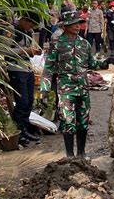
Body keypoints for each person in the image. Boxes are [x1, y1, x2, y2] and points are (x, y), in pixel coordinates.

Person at [41, 11, 103, 158]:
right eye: (74, 24)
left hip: (83, 89)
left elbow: (92, 63)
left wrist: (106, 62)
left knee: (83, 122)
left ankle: (81, 153)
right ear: (66, 26)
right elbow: (48, 68)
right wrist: (44, 89)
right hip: (66, 89)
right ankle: (69, 155)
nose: (77, 26)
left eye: (79, 23)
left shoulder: (84, 43)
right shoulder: (57, 44)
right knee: (68, 121)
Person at [6, 11, 42, 146]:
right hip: (16, 70)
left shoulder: (27, 32)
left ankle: (25, 129)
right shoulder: (12, 30)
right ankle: (19, 132)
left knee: (29, 101)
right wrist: (24, 51)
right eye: (30, 24)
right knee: (22, 102)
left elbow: (28, 50)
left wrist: (34, 51)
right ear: (24, 20)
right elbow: (5, 51)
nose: (31, 27)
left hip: (27, 69)